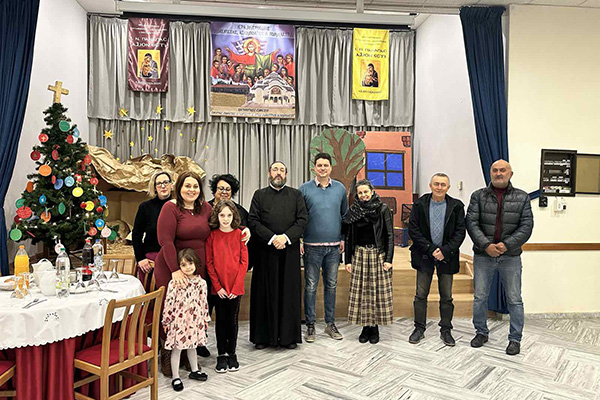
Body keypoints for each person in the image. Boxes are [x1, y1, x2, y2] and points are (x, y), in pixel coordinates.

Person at [466, 159, 533, 356]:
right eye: (495, 170)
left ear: (510, 174)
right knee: (480, 297)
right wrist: (486, 245)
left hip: (510, 256)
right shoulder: (478, 196)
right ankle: (481, 332)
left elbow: (526, 226)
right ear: (490, 173)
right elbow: (471, 223)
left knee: (514, 299)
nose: (498, 173)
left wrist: (506, 245)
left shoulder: (522, 197)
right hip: (483, 255)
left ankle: (515, 339)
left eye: (503, 170)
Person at [154, 171, 212, 373]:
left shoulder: (205, 208)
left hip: (196, 268)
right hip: (172, 266)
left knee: (191, 312)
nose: (191, 190)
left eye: (195, 186)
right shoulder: (170, 208)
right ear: (179, 188)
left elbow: (223, 222)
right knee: (172, 311)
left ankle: (188, 354)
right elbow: (165, 241)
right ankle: (167, 353)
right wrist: (175, 270)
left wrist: (243, 228)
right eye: (187, 185)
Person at [248, 161, 308, 349]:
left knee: (289, 294)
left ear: (286, 174)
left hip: (289, 252)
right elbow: (253, 221)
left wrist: (285, 238)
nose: (278, 173)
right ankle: (262, 338)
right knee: (264, 293)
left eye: (282, 170)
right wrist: (273, 238)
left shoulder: (296, 195)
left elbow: (302, 220)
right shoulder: (259, 195)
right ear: (269, 173)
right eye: (275, 169)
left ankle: (288, 338)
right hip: (265, 253)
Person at [407, 173, 466, 346]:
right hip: (424, 255)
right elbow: (413, 229)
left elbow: (460, 232)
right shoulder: (419, 204)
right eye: (436, 184)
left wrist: (445, 251)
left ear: (448, 187)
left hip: (447, 257)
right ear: (430, 185)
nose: (439, 187)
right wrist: (431, 249)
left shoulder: (456, 206)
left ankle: (446, 330)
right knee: (420, 295)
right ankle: (419, 328)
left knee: (446, 296)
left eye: (443, 184)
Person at [299, 153, 348, 343]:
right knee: (311, 286)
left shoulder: (340, 189)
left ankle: (330, 323)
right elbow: (299, 217)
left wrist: (343, 238)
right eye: (319, 165)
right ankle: (310, 325)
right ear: (314, 168)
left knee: (331, 286)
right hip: (311, 247)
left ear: (330, 168)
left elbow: (345, 216)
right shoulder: (304, 189)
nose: (322, 168)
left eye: (326, 165)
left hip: (334, 248)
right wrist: (300, 240)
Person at [343, 179, 394, 344]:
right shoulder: (354, 211)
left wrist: (388, 259)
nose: (363, 195)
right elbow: (349, 236)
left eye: (366, 191)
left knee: (376, 292)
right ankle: (365, 327)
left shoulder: (382, 209)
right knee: (362, 292)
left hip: (378, 254)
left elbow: (389, 235)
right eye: (360, 193)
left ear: (372, 191)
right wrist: (348, 260)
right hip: (359, 254)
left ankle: (375, 328)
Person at [206, 200, 248, 373]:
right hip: (219, 289)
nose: (225, 219)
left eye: (229, 215)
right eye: (222, 215)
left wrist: (236, 287)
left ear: (234, 216)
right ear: (217, 216)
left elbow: (244, 262)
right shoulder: (212, 236)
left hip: (235, 288)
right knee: (220, 321)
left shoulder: (240, 235)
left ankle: (232, 353)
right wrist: (218, 287)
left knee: (232, 321)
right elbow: (209, 263)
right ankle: (221, 354)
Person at [162, 248, 210, 392]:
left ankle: (194, 370)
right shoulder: (174, 283)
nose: (188, 267)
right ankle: (175, 377)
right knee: (177, 349)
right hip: (179, 322)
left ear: (196, 263)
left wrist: (205, 318)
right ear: (179, 266)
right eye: (183, 265)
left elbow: (204, 302)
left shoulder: (201, 283)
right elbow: (168, 302)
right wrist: (166, 320)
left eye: (190, 263)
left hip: (195, 321)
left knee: (192, 346)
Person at [132, 170, 173, 288]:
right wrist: (140, 258)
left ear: (171, 185)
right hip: (150, 259)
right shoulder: (145, 207)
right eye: (159, 183)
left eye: (166, 182)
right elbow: (137, 234)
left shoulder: (178, 205)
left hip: (174, 258)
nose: (163, 186)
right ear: (154, 187)